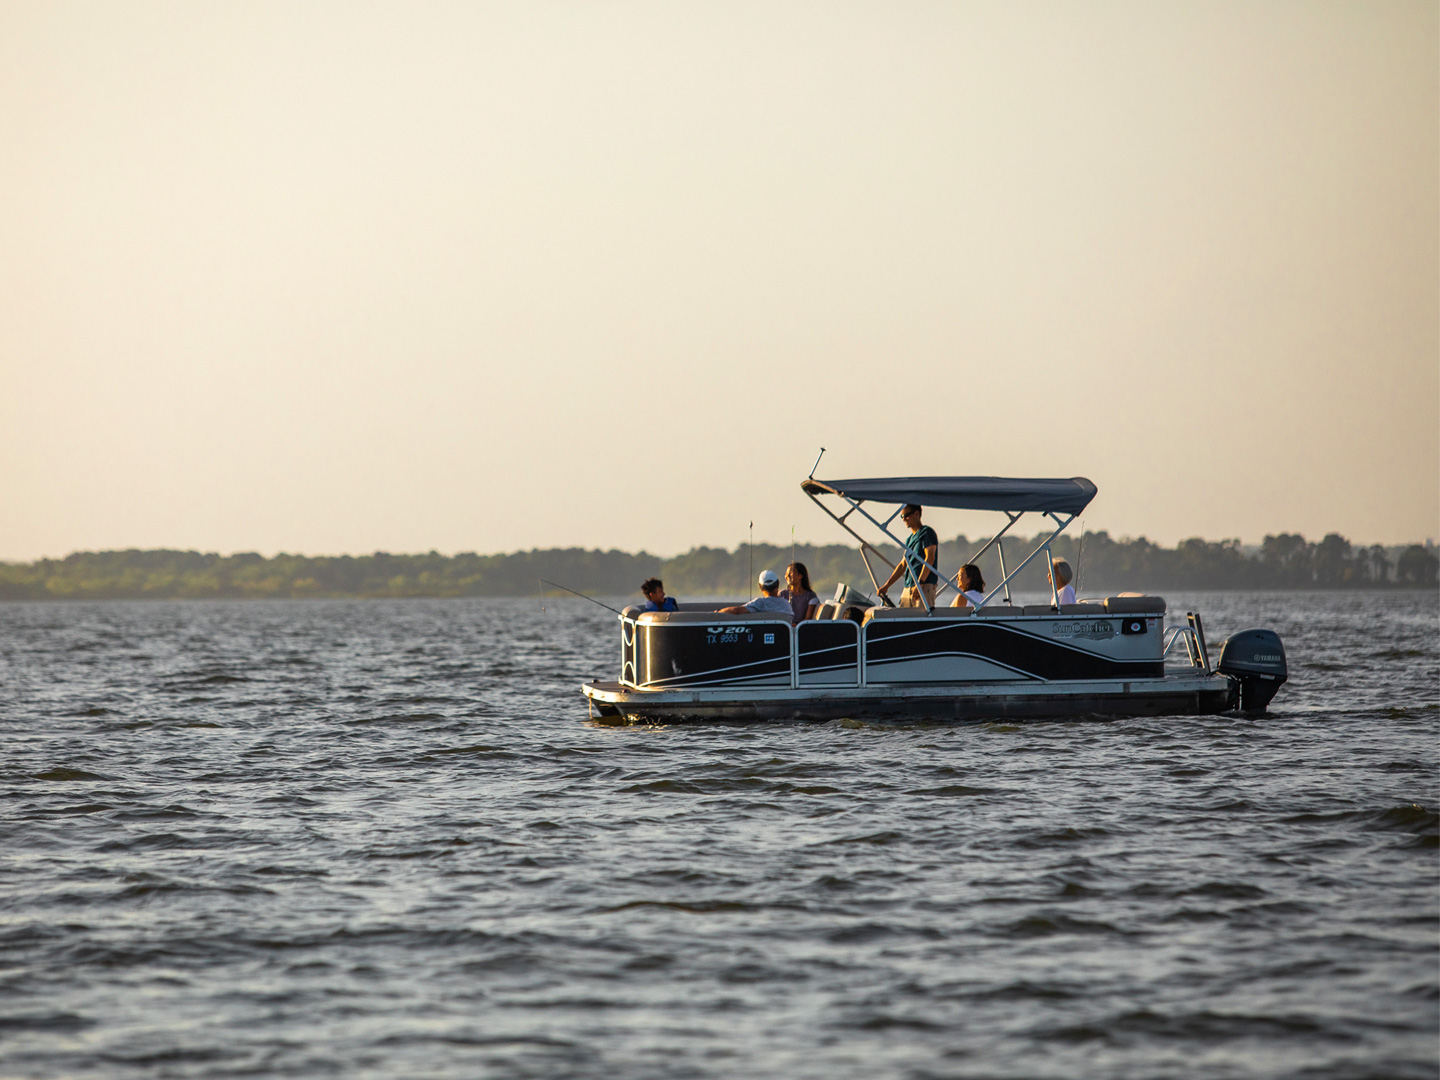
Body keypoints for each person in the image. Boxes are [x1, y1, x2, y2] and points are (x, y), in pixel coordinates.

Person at [877, 504, 939, 608]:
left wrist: (920, 583)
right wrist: (886, 586)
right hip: (908, 587)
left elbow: (930, 558)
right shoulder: (909, 539)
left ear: (916, 514)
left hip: (924, 586)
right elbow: (903, 564)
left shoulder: (927, 533)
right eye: (902, 516)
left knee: (921, 619)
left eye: (906, 515)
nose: (904, 519)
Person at [719, 570, 793, 615]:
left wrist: (719, 611)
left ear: (760, 587)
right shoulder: (786, 604)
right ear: (778, 584)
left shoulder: (760, 603)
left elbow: (736, 611)